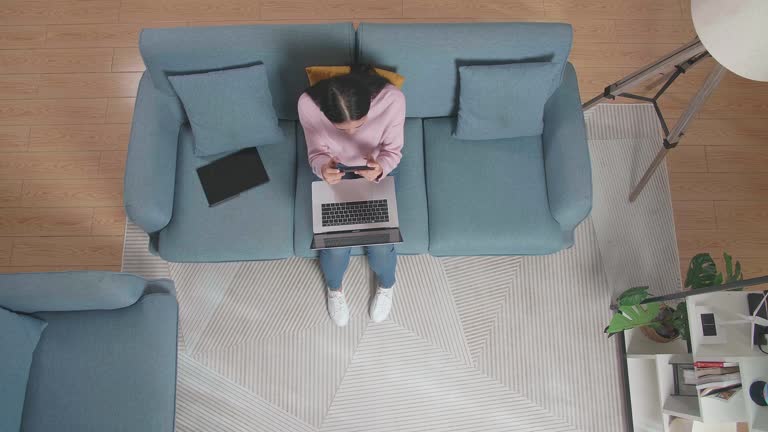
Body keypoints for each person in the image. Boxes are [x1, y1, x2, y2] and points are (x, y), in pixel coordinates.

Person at [298, 64, 405, 327]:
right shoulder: (308, 104)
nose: (353, 135)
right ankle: (335, 288)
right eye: (342, 130)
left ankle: (387, 284)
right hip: (335, 173)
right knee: (334, 249)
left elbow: (393, 151)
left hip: (372, 170)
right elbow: (315, 152)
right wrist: (323, 168)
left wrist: (380, 168)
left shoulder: (392, 100)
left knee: (381, 245)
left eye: (359, 125)